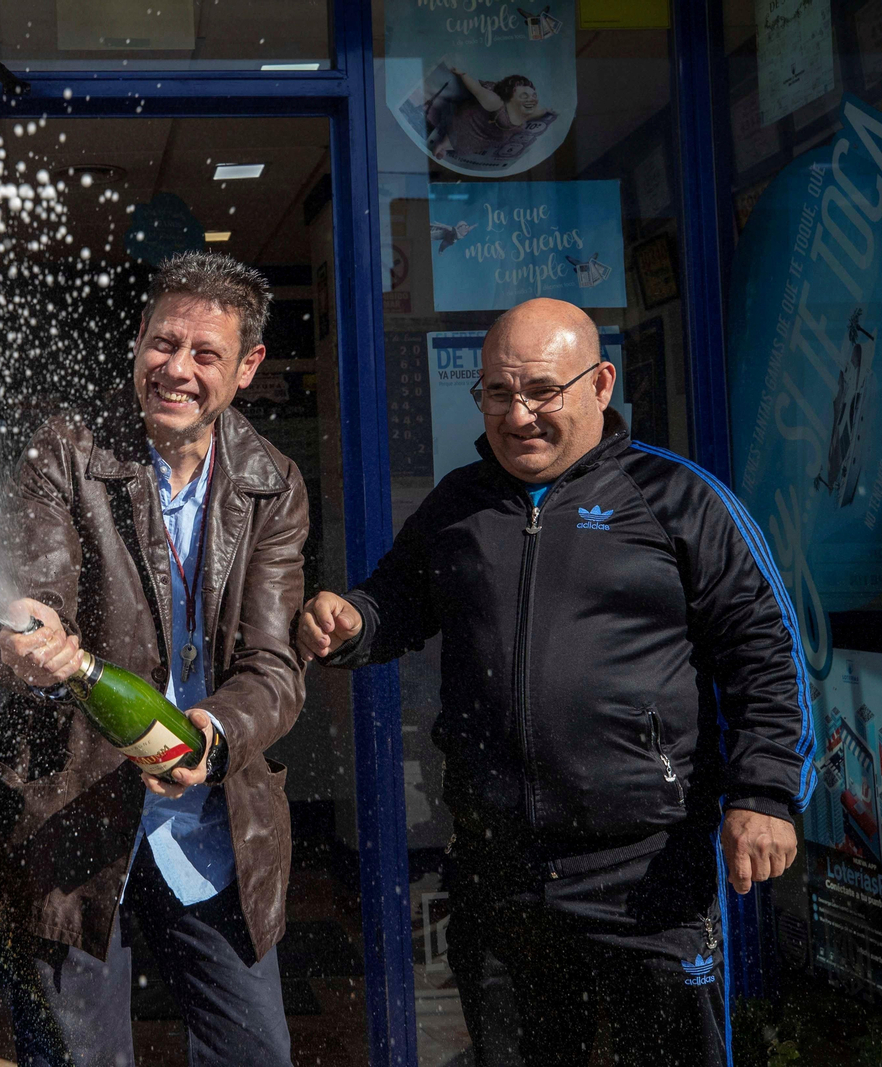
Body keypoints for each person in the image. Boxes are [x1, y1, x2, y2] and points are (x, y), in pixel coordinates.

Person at [298, 298, 813, 1067]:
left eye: (542, 390)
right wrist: (351, 622)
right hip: (497, 877)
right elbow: (396, 601)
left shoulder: (679, 498)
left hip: (647, 876)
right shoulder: (458, 505)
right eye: (498, 394)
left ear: (600, 383)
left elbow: (765, 652)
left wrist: (765, 794)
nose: (518, 414)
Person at [0, 251, 309, 1066]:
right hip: (76, 816)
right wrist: (34, 638)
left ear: (246, 368)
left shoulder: (274, 482)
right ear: (137, 341)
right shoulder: (69, 448)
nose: (177, 369)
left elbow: (274, 668)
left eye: (205, 354)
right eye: (163, 343)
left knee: (257, 1054)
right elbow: (42, 590)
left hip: (216, 826)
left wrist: (213, 735)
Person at [431, 69, 559, 167]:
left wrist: (547, 111)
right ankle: (442, 145)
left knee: (458, 146)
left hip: (480, 141)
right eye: (524, 96)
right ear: (510, 97)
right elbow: (477, 90)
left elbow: (536, 113)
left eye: (533, 96)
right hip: (469, 126)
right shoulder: (496, 103)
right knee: (451, 139)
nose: (531, 99)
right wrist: (462, 73)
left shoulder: (525, 114)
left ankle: (445, 147)